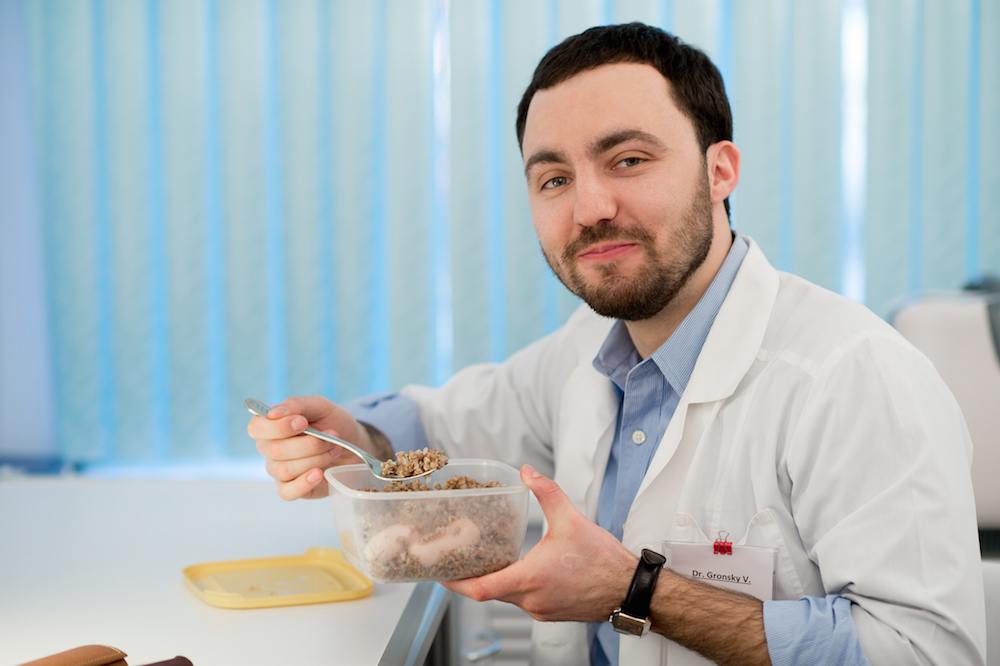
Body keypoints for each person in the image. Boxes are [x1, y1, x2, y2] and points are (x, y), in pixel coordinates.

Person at [248, 23, 985, 666]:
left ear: (720, 169)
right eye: (554, 178)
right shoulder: (590, 351)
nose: (590, 209)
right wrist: (354, 434)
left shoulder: (855, 378)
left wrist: (632, 591)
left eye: (628, 160)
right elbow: (444, 427)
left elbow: (923, 653)